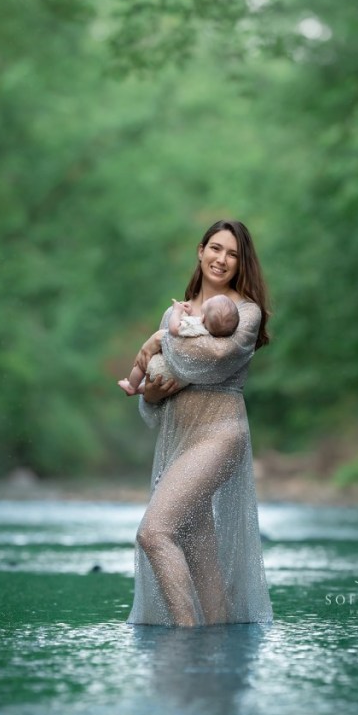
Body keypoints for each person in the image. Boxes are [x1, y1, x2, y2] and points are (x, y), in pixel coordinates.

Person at [126, 219, 273, 627]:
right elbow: (153, 396)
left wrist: (159, 340)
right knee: (201, 561)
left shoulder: (246, 312)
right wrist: (153, 387)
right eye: (215, 249)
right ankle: (213, 656)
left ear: (242, 264)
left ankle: (186, 639)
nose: (222, 259)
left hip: (220, 436)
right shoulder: (177, 311)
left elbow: (214, 357)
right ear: (200, 250)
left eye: (232, 254)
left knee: (154, 532)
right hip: (180, 438)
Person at [117, 295, 240, 396]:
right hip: (180, 381)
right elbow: (198, 326)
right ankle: (139, 390)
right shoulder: (210, 335)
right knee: (158, 384)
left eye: (209, 301)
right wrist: (191, 312)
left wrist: (177, 311)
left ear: (203, 318)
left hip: (164, 367)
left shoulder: (192, 324)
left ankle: (132, 386)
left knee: (141, 365)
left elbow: (174, 329)